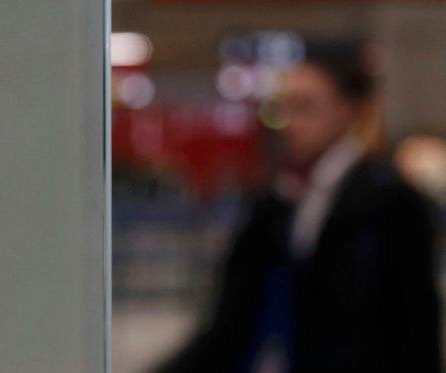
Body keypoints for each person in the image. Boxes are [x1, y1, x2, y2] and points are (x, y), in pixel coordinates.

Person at [158, 42, 442, 373]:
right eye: (286, 107)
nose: (291, 123)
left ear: (347, 111)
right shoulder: (275, 204)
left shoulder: (391, 201)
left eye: (306, 107)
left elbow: (415, 325)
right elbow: (233, 323)